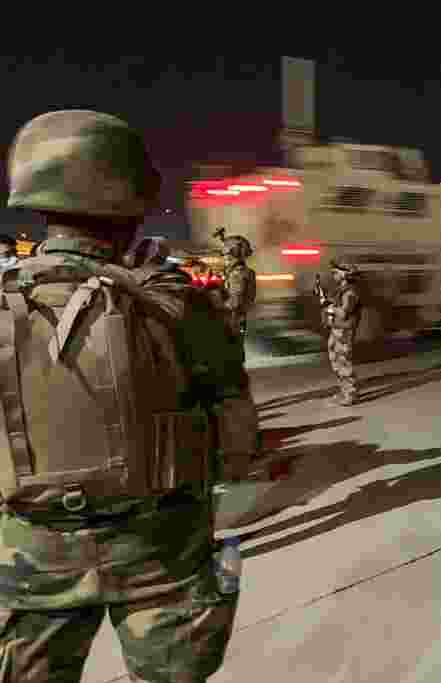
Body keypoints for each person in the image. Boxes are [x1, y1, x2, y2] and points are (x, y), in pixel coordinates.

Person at [0, 109, 253, 682]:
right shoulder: (178, 303)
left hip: (30, 555)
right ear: (131, 199)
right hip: (160, 553)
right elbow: (239, 440)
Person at [325, 260, 363, 406]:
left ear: (346, 274)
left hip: (344, 331)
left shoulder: (350, 292)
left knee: (344, 361)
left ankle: (350, 393)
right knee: (336, 361)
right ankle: (344, 390)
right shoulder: (342, 289)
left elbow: (344, 313)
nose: (333, 275)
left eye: (336, 272)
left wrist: (330, 309)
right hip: (337, 329)